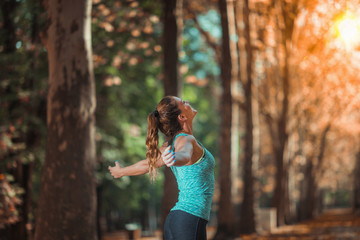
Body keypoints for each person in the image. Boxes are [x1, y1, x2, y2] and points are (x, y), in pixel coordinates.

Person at [108, 96, 215, 240]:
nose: (187, 102)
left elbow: (147, 164)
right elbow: (184, 154)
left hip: (176, 220)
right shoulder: (186, 140)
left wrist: (121, 171)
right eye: (183, 102)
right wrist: (174, 159)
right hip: (189, 220)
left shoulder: (172, 144)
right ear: (182, 116)